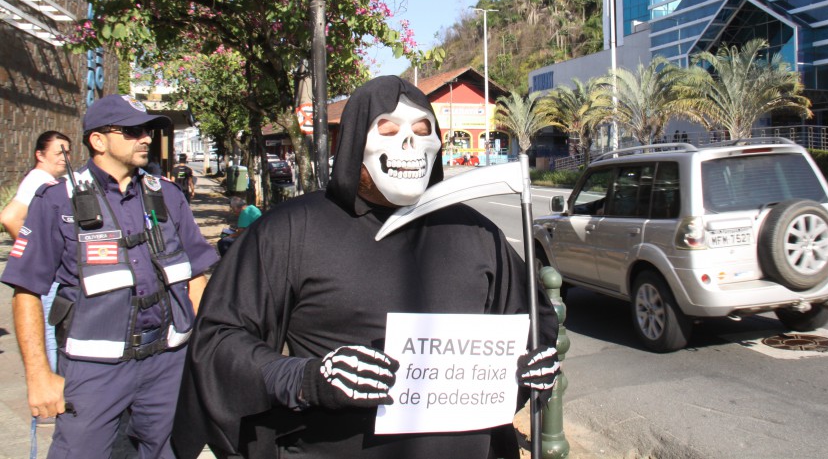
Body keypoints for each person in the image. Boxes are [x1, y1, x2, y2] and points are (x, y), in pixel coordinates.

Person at [172, 76, 560, 459]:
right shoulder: (292, 230)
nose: (409, 143)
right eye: (388, 130)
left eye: (422, 130)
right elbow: (220, 339)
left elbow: (532, 324)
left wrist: (530, 367)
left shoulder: (475, 232)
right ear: (355, 143)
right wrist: (307, 379)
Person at [1, 94, 220, 459]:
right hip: (93, 369)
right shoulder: (57, 201)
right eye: (133, 131)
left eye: (148, 130)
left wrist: (204, 354)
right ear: (97, 140)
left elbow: (196, 277)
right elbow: (26, 290)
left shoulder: (167, 195)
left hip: (168, 363)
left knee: (172, 451)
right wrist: (39, 376)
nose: (146, 138)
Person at [1, 131, 72, 373]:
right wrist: (40, 251)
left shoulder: (45, 179)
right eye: (58, 152)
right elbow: (10, 218)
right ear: (39, 155)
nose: (65, 157)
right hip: (48, 274)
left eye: (68, 151)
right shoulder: (39, 179)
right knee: (51, 335)